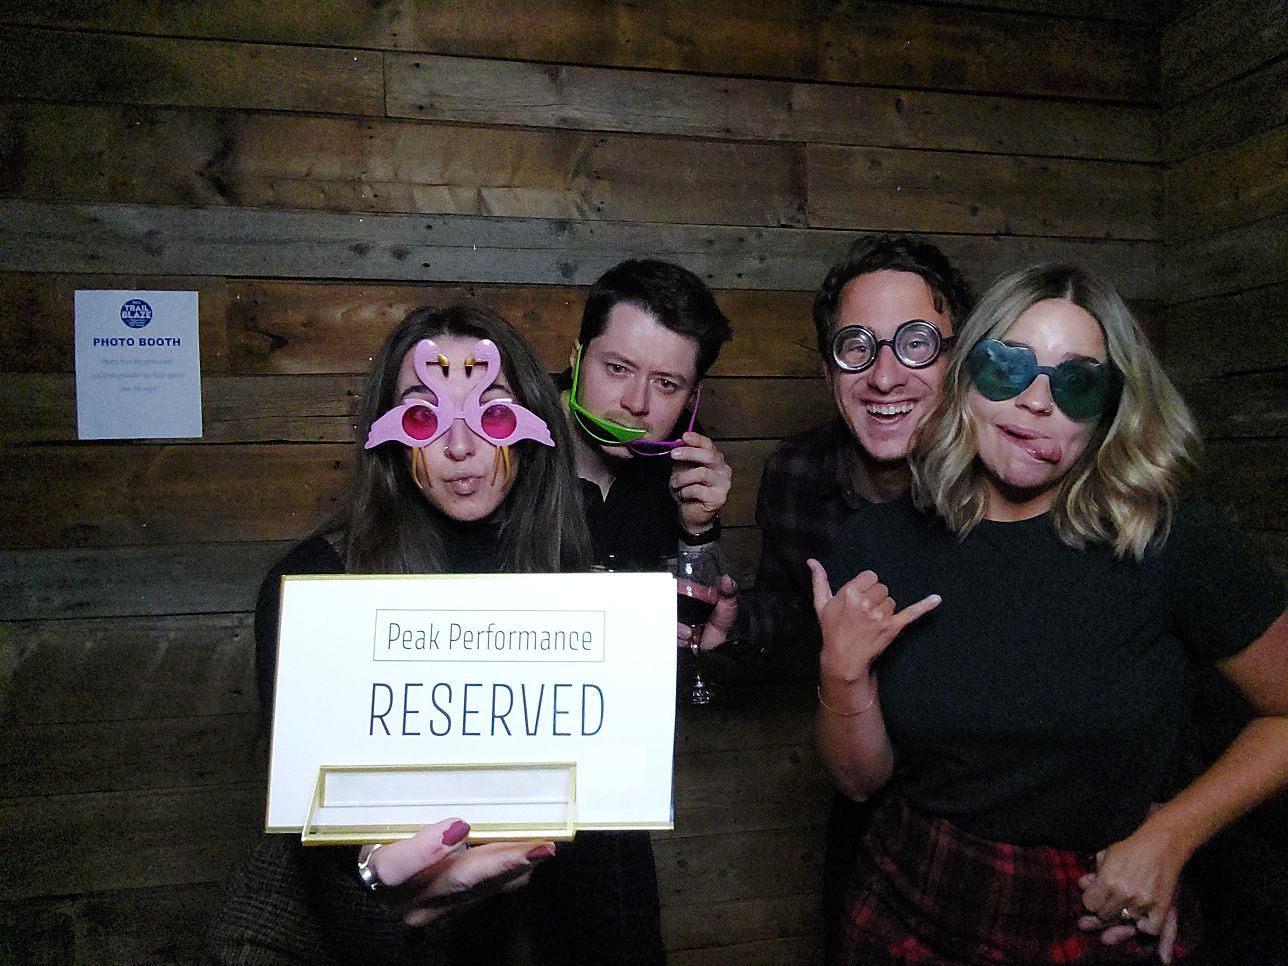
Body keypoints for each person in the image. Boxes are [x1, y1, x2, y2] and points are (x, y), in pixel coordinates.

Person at [810, 264, 1288, 964]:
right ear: (967, 378)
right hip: (909, 899)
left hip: (1091, 912)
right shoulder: (879, 542)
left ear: (1110, 408)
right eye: (1008, 368)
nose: (1036, 402)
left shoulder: (1170, 539)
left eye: (1077, 383)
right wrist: (841, 671)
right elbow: (858, 781)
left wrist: (1171, 836)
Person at [208, 304, 656, 965]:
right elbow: (316, 833)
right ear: (391, 435)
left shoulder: (568, 579)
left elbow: (608, 828)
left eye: (492, 413)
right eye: (423, 415)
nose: (459, 446)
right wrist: (372, 879)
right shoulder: (313, 584)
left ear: (531, 423)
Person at [698, 234, 973, 962]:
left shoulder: (1004, 483)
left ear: (957, 360)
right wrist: (735, 624)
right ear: (828, 371)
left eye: (915, 344)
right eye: (857, 347)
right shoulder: (798, 473)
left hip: (997, 806)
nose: (885, 375)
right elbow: (795, 612)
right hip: (870, 802)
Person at [561, 258, 734, 571]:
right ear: (577, 357)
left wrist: (697, 529)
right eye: (617, 368)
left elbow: (694, 607)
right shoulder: (508, 437)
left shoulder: (686, 459)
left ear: (692, 395)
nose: (636, 403)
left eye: (665, 384)